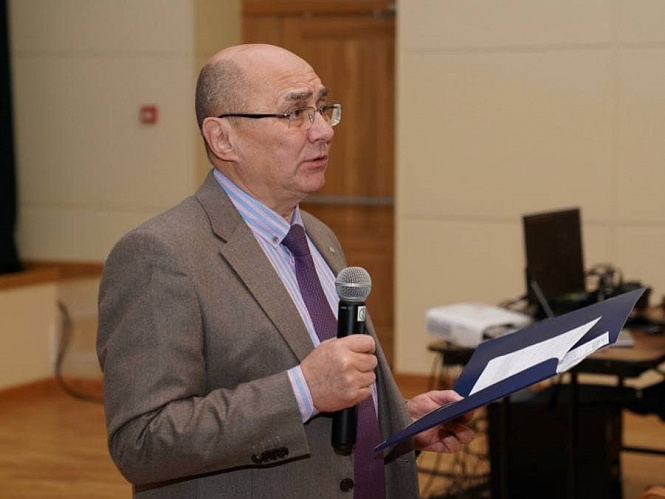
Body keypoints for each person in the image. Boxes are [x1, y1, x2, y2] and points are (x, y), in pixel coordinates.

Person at [96, 43, 474, 499]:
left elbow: (332, 406)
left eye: (322, 108)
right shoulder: (161, 254)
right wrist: (302, 390)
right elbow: (142, 442)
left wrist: (398, 420)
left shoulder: (317, 235)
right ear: (223, 139)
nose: (323, 131)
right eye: (295, 113)